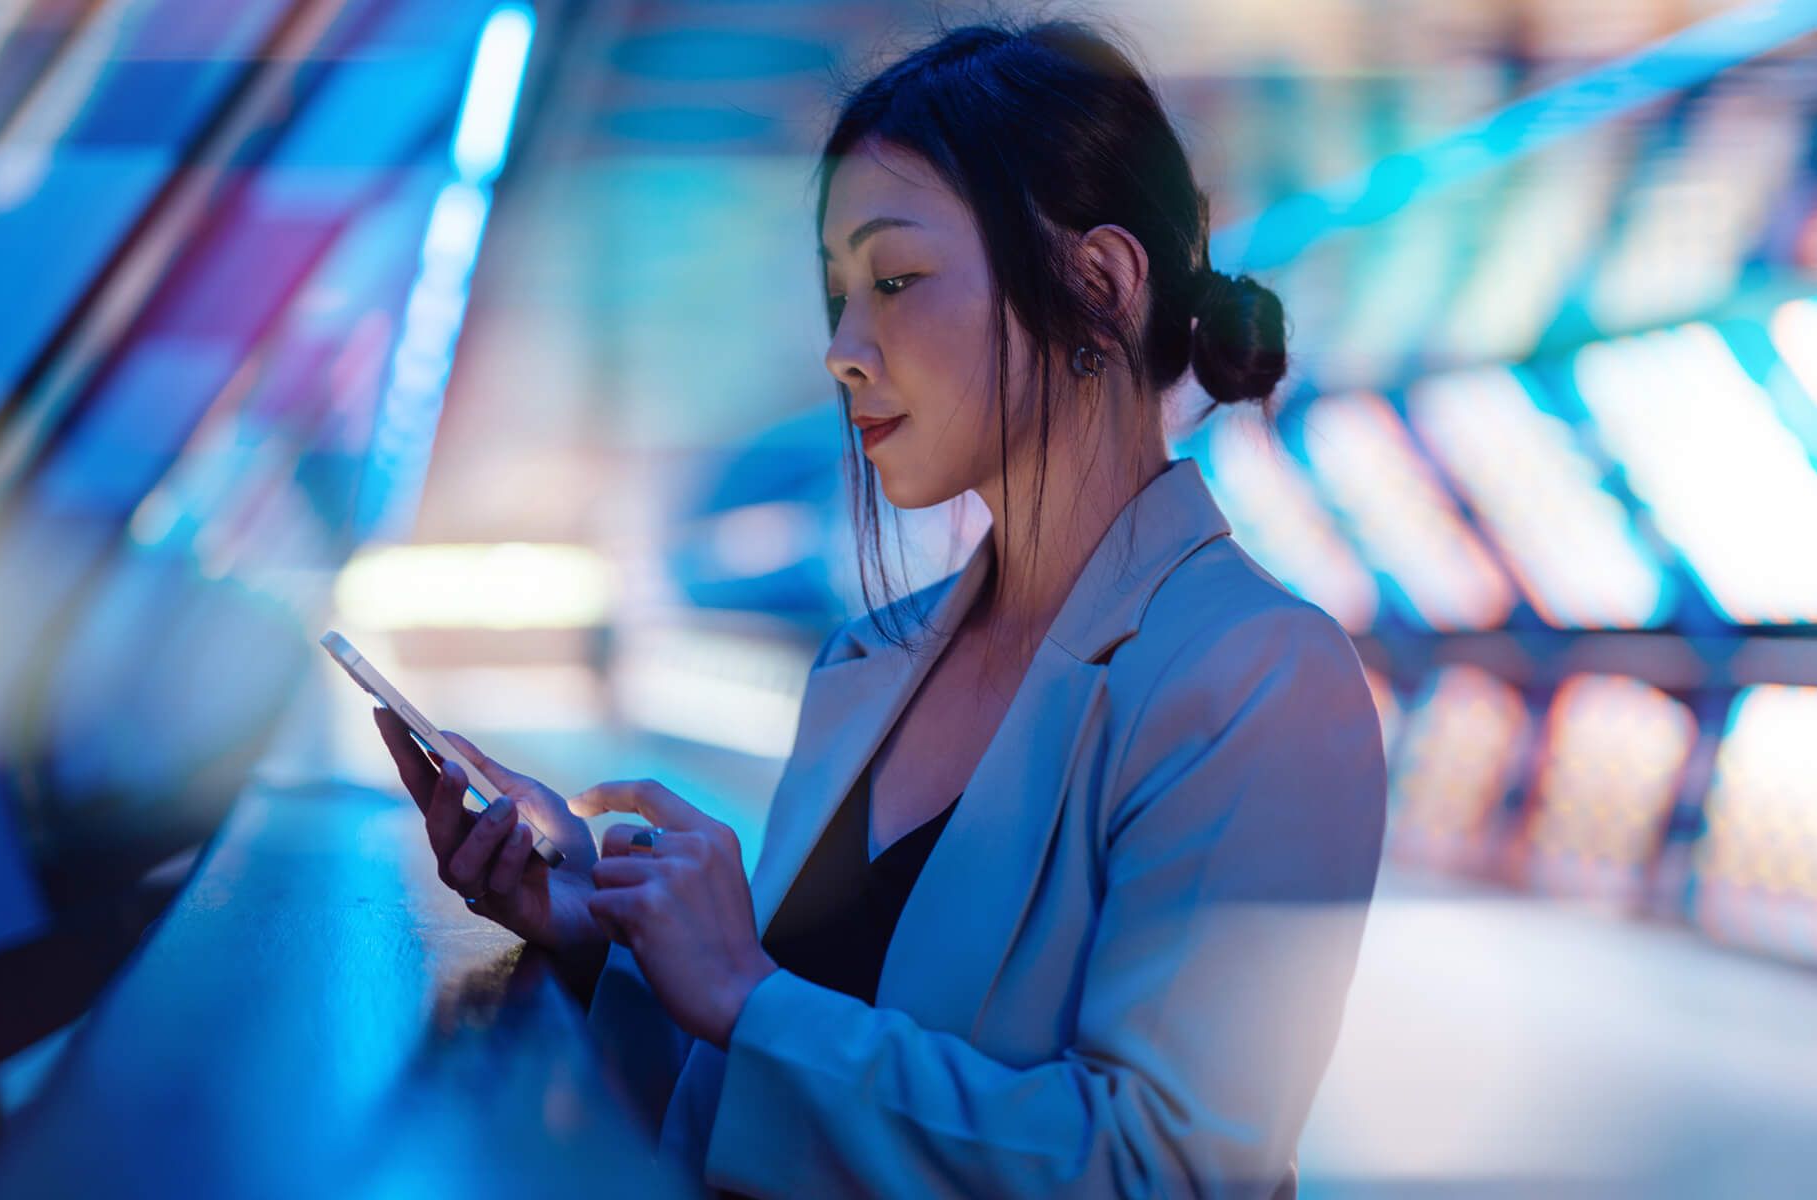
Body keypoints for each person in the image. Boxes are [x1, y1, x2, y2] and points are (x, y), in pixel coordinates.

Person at [374, 18, 1387, 1198]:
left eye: (894, 280)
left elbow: (1163, 1171)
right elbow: (785, 1086)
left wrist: (745, 994)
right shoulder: (873, 660)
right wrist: (610, 939)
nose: (845, 351)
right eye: (837, 295)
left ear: (1101, 283)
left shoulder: (1259, 680)